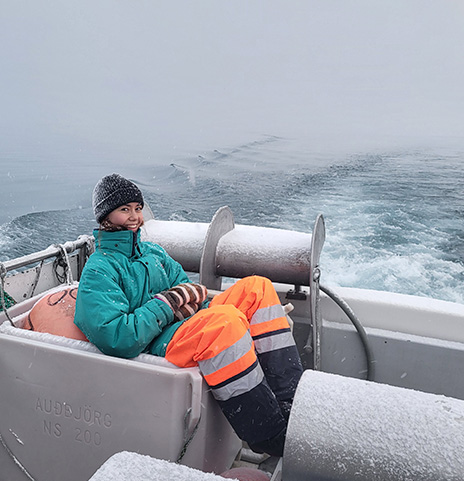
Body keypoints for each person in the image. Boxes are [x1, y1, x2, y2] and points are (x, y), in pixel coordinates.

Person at [74, 173, 303, 456]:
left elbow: (185, 287)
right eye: (124, 209)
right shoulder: (100, 269)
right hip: (155, 344)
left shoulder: (153, 252)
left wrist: (184, 299)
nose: (134, 216)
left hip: (180, 325)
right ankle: (269, 434)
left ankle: (290, 403)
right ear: (106, 217)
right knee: (225, 324)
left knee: (257, 288)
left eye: (137, 208)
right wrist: (168, 304)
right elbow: (117, 336)